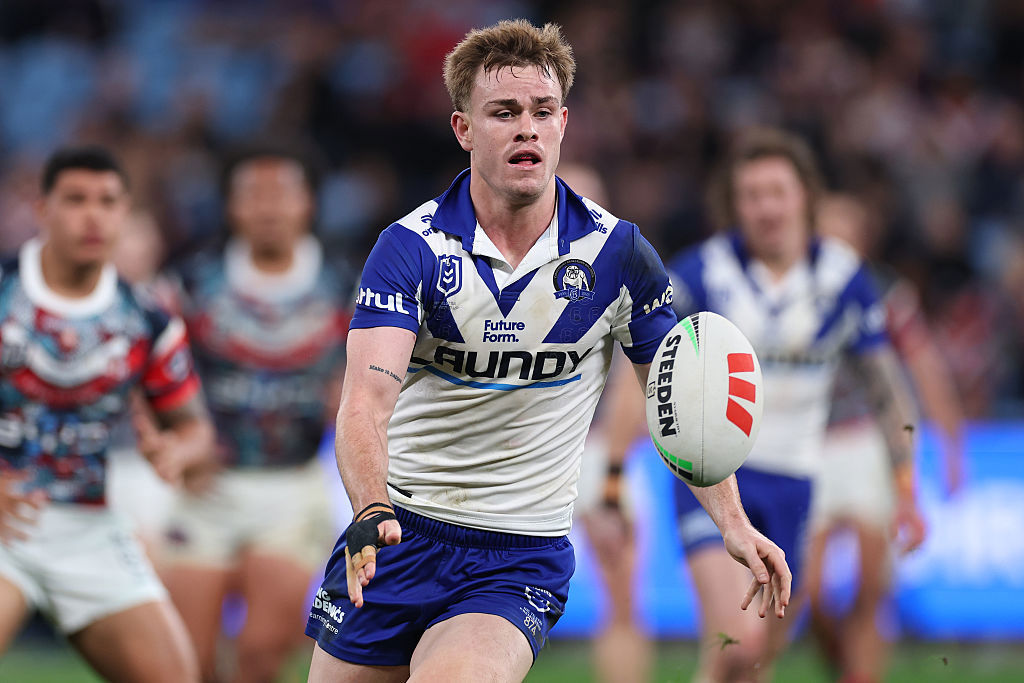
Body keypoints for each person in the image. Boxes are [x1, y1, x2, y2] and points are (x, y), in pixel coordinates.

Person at [305, 20, 791, 683]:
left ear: (563, 123)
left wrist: (732, 522)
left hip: (517, 555)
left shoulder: (618, 254)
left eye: (540, 111)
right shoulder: (410, 248)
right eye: (503, 112)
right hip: (396, 533)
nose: (525, 128)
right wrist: (369, 509)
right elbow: (367, 400)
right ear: (464, 129)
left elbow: (682, 406)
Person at [664, 128, 926, 683]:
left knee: (755, 659)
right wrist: (619, 463)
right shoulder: (700, 273)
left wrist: (905, 485)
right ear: (734, 206)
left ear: (805, 196)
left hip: (798, 483)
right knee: (740, 639)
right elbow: (647, 376)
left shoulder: (843, 279)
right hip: (714, 477)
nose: (766, 207)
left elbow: (887, 389)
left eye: (777, 191)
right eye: (751, 195)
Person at [0, 146, 213, 682]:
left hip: (90, 526)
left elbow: (195, 429)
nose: (92, 215)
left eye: (107, 202)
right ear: (42, 208)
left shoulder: (146, 319)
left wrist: (174, 450)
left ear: (125, 214)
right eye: (75, 200)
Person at [160, 142, 353, 683]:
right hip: (205, 491)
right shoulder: (192, 284)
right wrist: (173, 437)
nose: (268, 207)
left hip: (291, 487)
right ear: (230, 206)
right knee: (186, 663)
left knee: (263, 655)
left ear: (309, 203)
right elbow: (147, 371)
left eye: (282, 193)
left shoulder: (347, 285)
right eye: (253, 194)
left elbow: (380, 375)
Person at [802, 194, 965, 683]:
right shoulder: (790, 290)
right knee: (807, 589)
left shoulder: (886, 292)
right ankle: (844, 663)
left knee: (872, 584)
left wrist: (952, 442)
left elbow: (924, 368)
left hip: (867, 441)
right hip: (806, 445)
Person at [557, 162, 652, 683]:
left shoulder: (623, 274)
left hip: (591, 451)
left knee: (621, 599)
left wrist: (612, 480)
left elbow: (634, 389)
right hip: (519, 453)